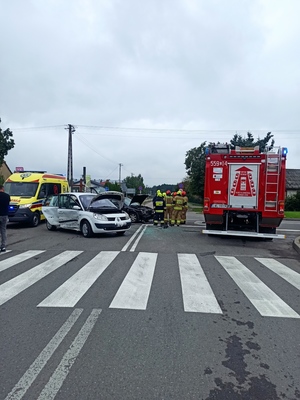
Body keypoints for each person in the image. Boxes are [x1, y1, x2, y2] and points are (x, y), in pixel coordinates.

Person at [0, 184, 11, 252]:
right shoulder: (7, 196)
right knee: (3, 231)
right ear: (2, 189)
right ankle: (3, 246)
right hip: (4, 215)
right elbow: (8, 204)